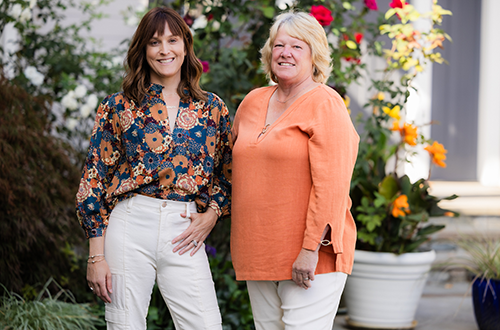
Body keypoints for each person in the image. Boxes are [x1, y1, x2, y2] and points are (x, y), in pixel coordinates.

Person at [76, 7, 231, 330]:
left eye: (172, 40)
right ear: (142, 50)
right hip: (130, 225)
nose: (164, 50)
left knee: (205, 324)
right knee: (125, 325)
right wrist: (96, 255)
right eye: (154, 42)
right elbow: (93, 178)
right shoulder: (117, 106)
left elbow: (228, 173)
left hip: (184, 229)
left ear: (185, 46)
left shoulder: (211, 108)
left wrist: (212, 214)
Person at [230, 11, 359, 330]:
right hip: (258, 253)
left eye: (297, 46)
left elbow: (333, 185)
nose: (285, 52)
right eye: (278, 45)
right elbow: (230, 167)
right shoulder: (252, 102)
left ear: (314, 55)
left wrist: (309, 249)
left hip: (311, 257)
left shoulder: (325, 103)